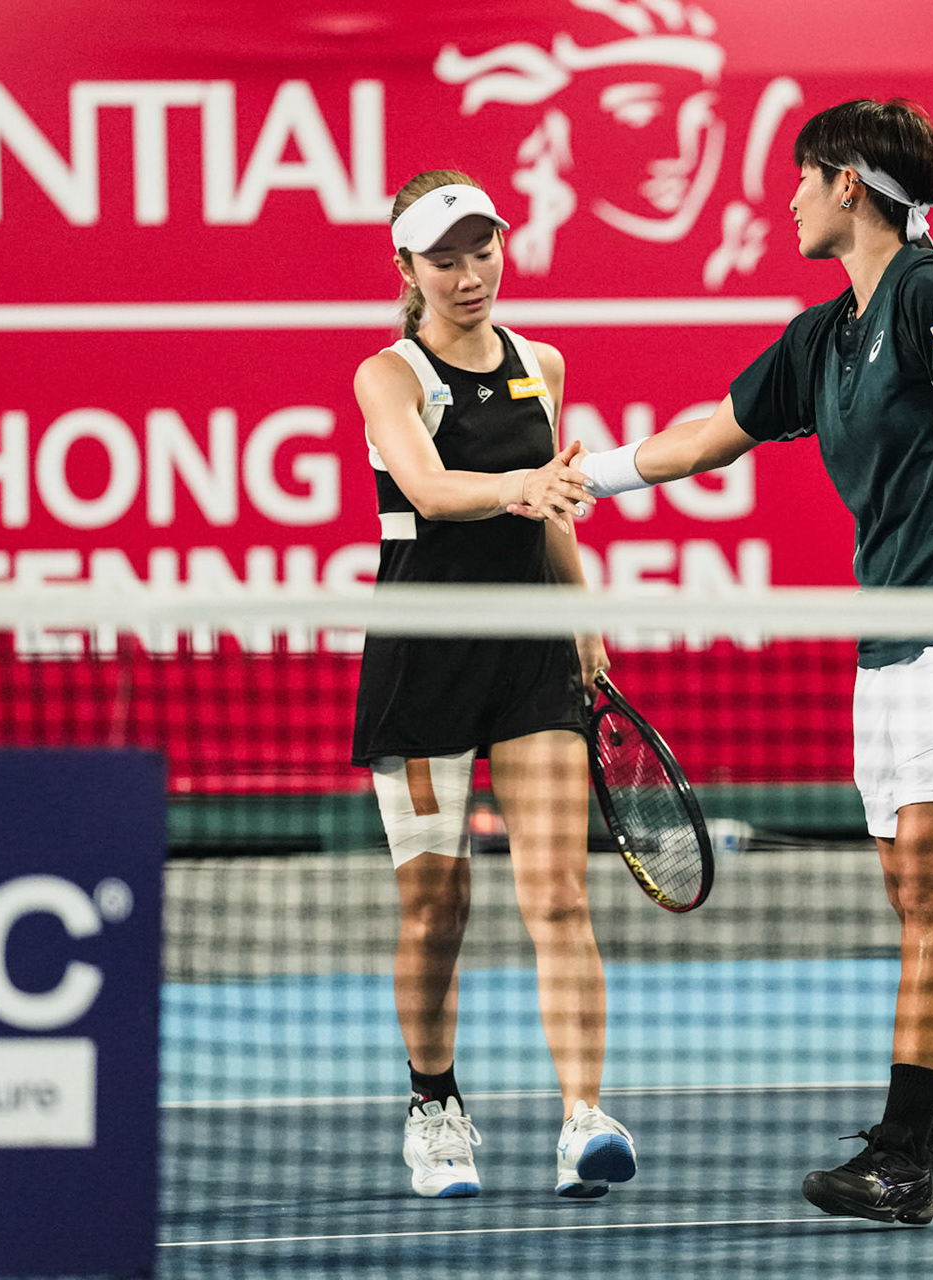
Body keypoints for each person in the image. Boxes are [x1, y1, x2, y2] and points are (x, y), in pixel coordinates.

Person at [576, 100, 933, 1225]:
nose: (788, 196)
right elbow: (709, 432)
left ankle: (898, 1154)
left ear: (851, 183)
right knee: (919, 892)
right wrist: (589, 477)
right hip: (891, 640)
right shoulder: (824, 335)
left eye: (803, 177)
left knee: (931, 893)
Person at [352, 169, 636, 1201]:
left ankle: (583, 1115)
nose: (469, 275)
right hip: (426, 657)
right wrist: (519, 484)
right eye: (444, 258)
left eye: (482, 249)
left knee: (558, 892)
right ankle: (435, 1106)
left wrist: (586, 622)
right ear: (408, 268)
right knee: (438, 905)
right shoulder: (388, 374)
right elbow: (427, 487)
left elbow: (554, 509)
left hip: (528, 657)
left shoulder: (542, 362)